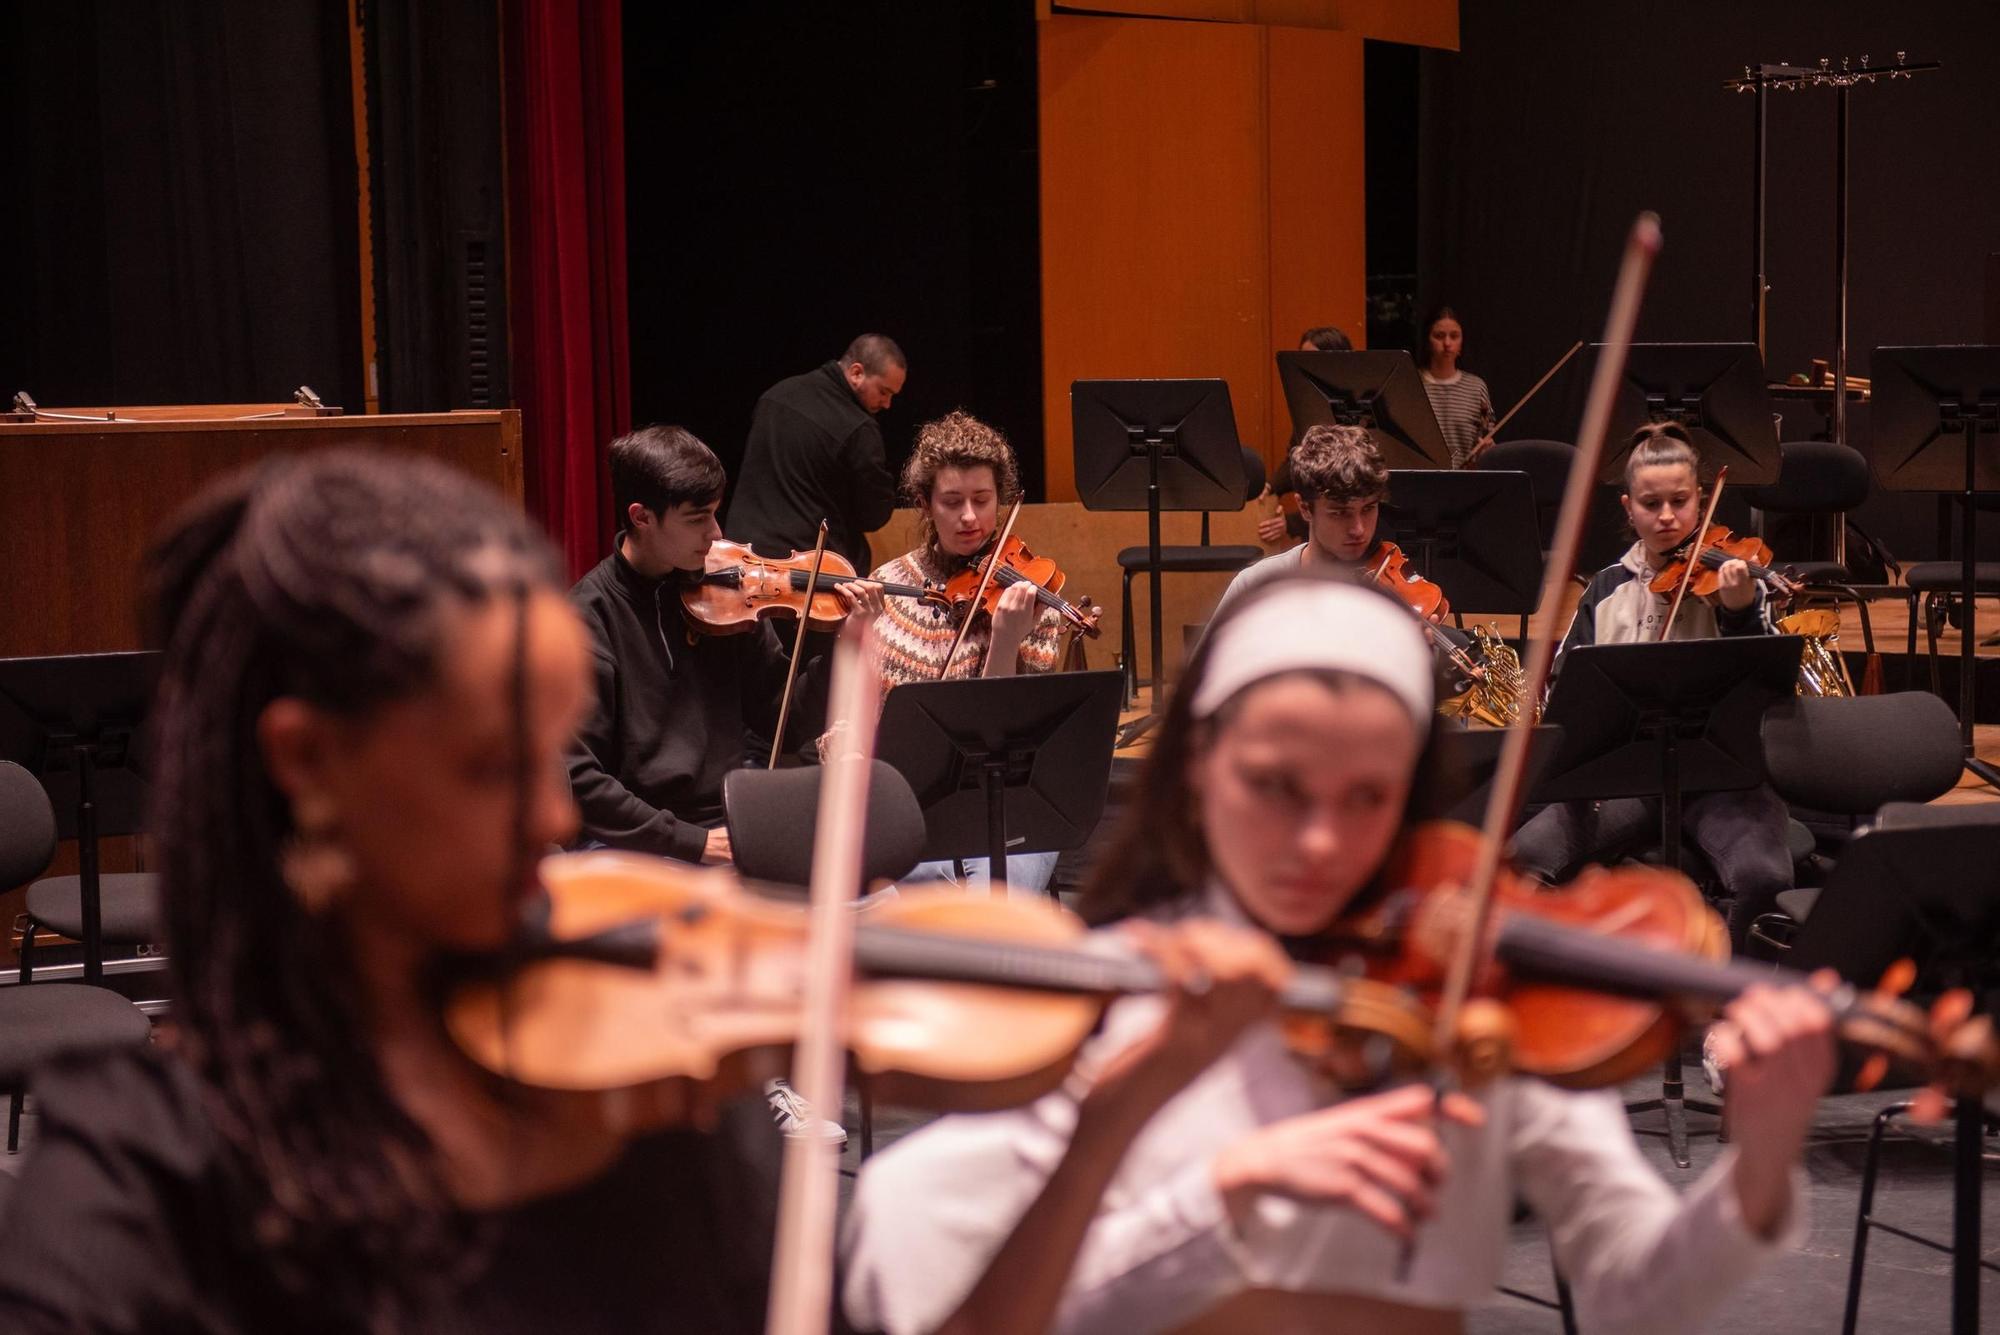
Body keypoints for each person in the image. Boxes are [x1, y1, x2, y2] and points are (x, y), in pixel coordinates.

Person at [0, 448, 1314, 1334]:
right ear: (309, 760)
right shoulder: (148, 1167)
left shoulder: (662, 1098)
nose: (552, 813)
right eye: (489, 762)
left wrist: (1111, 1120)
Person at [843, 571, 1838, 1335]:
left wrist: (1756, 1165)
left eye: (1365, 798)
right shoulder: (1125, 995)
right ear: (1197, 774)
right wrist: (1222, 1196)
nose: (1319, 843)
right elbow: (977, 1298)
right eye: (1276, 788)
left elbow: (1633, 1290)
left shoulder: (1467, 993)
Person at [1510, 423, 1792, 959]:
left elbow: (1770, 686)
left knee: (1763, 874)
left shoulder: (1736, 581)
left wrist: (1739, 614)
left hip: (1721, 773)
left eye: (1681, 502)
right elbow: (1566, 686)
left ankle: (1721, 1003)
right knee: (1525, 857)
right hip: (1630, 773)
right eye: (1651, 502)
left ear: (1701, 501)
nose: (1666, 516)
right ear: (1628, 507)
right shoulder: (1607, 587)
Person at [568, 424, 869, 866]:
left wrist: (846, 648)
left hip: (729, 821)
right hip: (635, 843)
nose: (715, 533)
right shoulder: (587, 620)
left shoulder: (728, 598)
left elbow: (788, 722)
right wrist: (693, 843)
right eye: (697, 518)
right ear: (641, 516)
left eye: (715, 512)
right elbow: (578, 777)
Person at [838, 410, 1070, 893]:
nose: (970, 517)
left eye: (983, 500)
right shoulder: (889, 586)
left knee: (995, 900)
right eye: (952, 501)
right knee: (914, 898)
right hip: (911, 807)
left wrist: (1005, 640)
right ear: (925, 504)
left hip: (1009, 806)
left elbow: (1016, 737)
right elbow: (852, 726)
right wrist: (853, 637)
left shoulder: (1031, 594)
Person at [726, 333, 905, 571]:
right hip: (803, 568)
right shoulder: (859, 428)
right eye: (884, 392)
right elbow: (873, 516)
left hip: (740, 554)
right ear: (856, 373)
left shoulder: (776, 394)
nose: (887, 404)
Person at [1256, 326, 1358, 546]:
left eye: (1314, 361)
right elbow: (1299, 457)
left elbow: (1342, 489)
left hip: (1347, 533)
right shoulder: (1309, 403)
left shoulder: (1355, 412)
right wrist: (1271, 486)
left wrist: (1291, 523)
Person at [1416, 305, 1496, 469]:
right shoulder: (1411, 383)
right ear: (1427, 340)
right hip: (1420, 480)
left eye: (1454, 336)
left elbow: (1487, 436)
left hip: (1464, 482)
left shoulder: (1476, 387)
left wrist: (1487, 449)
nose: (1447, 343)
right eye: (1439, 336)